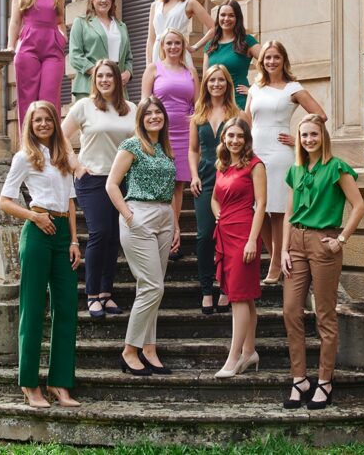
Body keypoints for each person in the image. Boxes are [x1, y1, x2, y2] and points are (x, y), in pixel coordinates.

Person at [0, 101, 82, 408]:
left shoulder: (62, 158)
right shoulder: (24, 158)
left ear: (55, 123)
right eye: (38, 120)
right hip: (37, 232)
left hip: (62, 234)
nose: (44, 124)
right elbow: (4, 201)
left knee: (67, 308)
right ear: (30, 126)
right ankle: (30, 385)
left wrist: (74, 240)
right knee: (32, 308)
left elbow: (71, 202)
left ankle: (60, 383)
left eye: (48, 119)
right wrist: (34, 217)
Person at [280, 114, 364, 409]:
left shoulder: (336, 168)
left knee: (325, 315)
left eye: (313, 135)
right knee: (291, 310)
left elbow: (359, 207)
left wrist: (341, 239)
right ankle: (299, 378)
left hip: (324, 243)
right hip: (296, 243)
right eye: (304, 136)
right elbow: (288, 214)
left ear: (323, 136)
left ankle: (325, 380)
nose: (308, 140)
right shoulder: (296, 169)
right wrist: (282, 251)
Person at [106, 97, 180, 376]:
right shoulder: (132, 145)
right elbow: (111, 184)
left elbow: (171, 190)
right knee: (153, 286)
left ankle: (149, 348)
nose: (153, 117)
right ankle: (129, 350)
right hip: (139, 214)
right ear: (140, 118)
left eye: (157, 112)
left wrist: (174, 223)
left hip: (163, 215)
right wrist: (127, 215)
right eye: (148, 113)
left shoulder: (165, 149)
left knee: (151, 286)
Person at [245, 40, 327, 285]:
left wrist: (300, 138)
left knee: (278, 209)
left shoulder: (293, 87)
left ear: (283, 60)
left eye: (276, 57)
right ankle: (278, 258)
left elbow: (320, 115)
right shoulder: (254, 88)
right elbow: (247, 121)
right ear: (262, 61)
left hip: (280, 152)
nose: (271, 62)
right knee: (257, 208)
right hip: (256, 151)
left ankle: (275, 265)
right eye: (267, 57)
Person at [62, 60, 136, 318]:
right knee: (100, 233)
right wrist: (75, 164)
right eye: (100, 76)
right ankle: (92, 294)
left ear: (117, 79)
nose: (104, 80)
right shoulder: (84, 106)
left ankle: (106, 293)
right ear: (95, 80)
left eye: (109, 76)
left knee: (115, 236)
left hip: (122, 180)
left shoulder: (131, 109)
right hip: (92, 179)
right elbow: (60, 136)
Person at [211, 117, 266, 378]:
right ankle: (249, 351)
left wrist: (253, 240)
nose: (234, 140)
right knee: (244, 298)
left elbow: (262, 205)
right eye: (230, 135)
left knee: (238, 297)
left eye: (239, 136)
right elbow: (214, 198)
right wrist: (218, 214)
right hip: (225, 232)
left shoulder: (255, 166)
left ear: (246, 139)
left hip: (244, 234)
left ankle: (233, 358)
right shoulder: (221, 166)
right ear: (224, 138)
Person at [188, 65, 242, 314]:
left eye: (221, 80)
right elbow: (193, 150)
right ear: (206, 84)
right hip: (206, 178)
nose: (216, 84)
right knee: (204, 234)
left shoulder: (237, 113)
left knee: (228, 236)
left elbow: (245, 147)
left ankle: (227, 288)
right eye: (212, 80)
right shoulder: (198, 114)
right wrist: (193, 176)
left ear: (227, 84)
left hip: (231, 178)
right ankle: (206, 289)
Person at [142, 28, 198, 249]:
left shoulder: (191, 72)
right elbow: (145, 104)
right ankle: (164, 232)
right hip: (160, 133)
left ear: (183, 46)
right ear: (162, 46)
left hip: (185, 133)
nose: (173, 47)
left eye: (177, 43)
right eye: (169, 43)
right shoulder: (153, 69)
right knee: (163, 181)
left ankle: (174, 234)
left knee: (177, 186)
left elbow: (198, 104)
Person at [6, 0, 67, 126]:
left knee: (49, 98)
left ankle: (50, 147)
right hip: (28, 46)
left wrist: (63, 37)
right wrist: (11, 45)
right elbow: (15, 22)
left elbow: (61, 21)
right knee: (28, 98)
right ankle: (28, 148)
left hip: (53, 48)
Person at [69, 0, 133, 101]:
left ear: (112, 1)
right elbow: (75, 56)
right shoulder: (81, 23)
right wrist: (102, 73)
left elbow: (129, 57)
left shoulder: (121, 26)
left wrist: (128, 73)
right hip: (89, 87)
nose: (104, 0)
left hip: (118, 89)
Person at [146, 0, 215, 67]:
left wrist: (195, 47)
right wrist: (148, 65)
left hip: (178, 53)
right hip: (158, 54)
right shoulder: (155, 6)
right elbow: (151, 39)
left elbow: (214, 27)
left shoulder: (189, 3)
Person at [202, 0, 261, 110]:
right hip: (215, 105)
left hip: (239, 102)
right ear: (218, 17)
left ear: (237, 18)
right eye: (223, 15)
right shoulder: (210, 45)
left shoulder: (247, 41)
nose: (226, 19)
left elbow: (271, 63)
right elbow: (205, 80)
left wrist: (255, 89)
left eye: (231, 15)